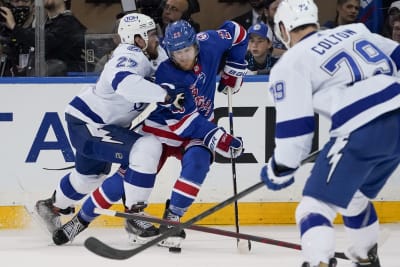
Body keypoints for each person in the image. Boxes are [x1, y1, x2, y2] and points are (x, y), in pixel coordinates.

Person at [51, 19, 248, 248]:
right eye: (177, 53)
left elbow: (237, 32)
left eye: (187, 50)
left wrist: (236, 65)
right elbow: (184, 121)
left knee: (198, 163)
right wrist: (220, 138)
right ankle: (82, 220)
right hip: (167, 126)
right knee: (123, 178)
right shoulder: (164, 69)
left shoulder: (205, 44)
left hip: (196, 126)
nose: (182, 57)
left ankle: (171, 219)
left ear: (196, 44)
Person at [259, 0, 400, 266]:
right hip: (397, 116)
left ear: (283, 28)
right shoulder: (355, 31)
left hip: (361, 127)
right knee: (354, 198)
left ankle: (318, 262)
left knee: (314, 208)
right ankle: (365, 256)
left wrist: (280, 168)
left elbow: (296, 130)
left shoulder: (290, 63)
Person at [34, 13, 184, 239]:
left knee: (89, 179)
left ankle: (51, 206)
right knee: (147, 147)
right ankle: (135, 215)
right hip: (89, 123)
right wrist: (165, 96)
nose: (157, 38)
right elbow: (125, 83)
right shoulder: (128, 55)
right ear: (137, 39)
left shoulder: (154, 53)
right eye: (151, 34)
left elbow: (179, 65)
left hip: (94, 125)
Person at [2, 0, 86, 75]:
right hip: (44, 86)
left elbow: (45, 42)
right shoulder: (47, 26)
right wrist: (24, 71)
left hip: (64, 86)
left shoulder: (70, 23)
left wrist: (14, 27)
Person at [0, 0, 35, 76]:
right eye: (16, 1)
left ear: (33, 4)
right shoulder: (3, 29)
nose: (20, 5)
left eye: (25, 1)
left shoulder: (40, 29)